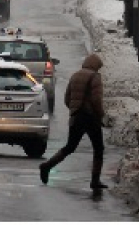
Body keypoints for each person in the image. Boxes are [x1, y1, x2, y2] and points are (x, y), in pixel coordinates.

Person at [39, 53, 108, 191]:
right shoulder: (95, 77)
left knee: (70, 146)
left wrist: (74, 109)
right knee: (99, 148)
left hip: (76, 117)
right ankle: (95, 180)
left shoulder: (75, 75)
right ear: (96, 66)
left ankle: (47, 166)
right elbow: (96, 100)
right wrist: (101, 115)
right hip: (90, 117)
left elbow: (67, 98)